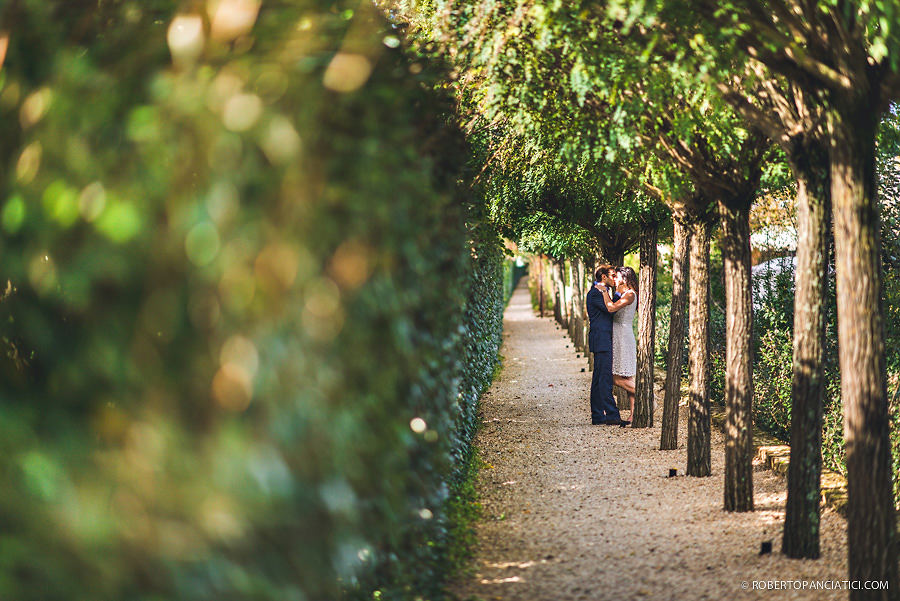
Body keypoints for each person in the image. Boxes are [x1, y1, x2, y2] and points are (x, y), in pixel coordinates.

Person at [587, 265, 628, 426]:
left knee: (598, 379)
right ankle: (611, 414)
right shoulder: (596, 293)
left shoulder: (602, 292)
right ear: (603, 277)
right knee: (604, 379)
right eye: (611, 275)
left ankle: (597, 415)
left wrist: (616, 292)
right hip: (601, 339)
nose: (614, 278)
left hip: (603, 339)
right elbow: (611, 309)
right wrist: (620, 293)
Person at [600, 266, 638, 422]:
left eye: (617, 277)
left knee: (614, 377)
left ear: (625, 278)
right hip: (618, 335)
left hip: (623, 336)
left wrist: (603, 291)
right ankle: (633, 413)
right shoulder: (622, 294)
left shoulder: (630, 295)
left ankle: (647, 396)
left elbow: (611, 308)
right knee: (627, 376)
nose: (614, 279)